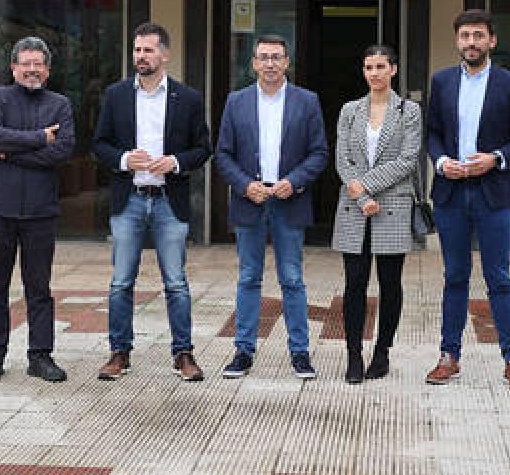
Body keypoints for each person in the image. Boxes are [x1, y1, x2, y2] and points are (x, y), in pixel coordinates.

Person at [92, 23, 213, 382]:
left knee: (176, 282)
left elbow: (203, 148)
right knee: (120, 282)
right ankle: (119, 353)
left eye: (148, 50)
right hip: (128, 199)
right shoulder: (115, 95)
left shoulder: (187, 98)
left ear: (165, 55)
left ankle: (183, 354)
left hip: (167, 200)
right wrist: (124, 159)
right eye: (137, 50)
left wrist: (175, 163)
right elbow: (99, 143)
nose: (141, 57)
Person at [424, 9, 510, 392]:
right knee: (454, 277)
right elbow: (433, 133)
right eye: (465, 36)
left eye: (478, 36)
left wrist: (495, 159)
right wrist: (440, 162)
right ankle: (448, 356)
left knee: (498, 279)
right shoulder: (441, 82)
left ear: (492, 41)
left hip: (494, 193)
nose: (471, 42)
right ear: (457, 41)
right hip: (452, 193)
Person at [215, 35, 329, 380]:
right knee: (248, 277)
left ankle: (299, 353)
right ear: (253, 63)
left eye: (276, 57)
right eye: (263, 57)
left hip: (288, 199)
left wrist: (293, 182)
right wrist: (243, 184)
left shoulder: (307, 101)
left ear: (287, 62)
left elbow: (319, 152)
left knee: (292, 278)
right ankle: (243, 351)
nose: (270, 64)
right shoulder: (236, 102)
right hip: (251, 199)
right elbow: (223, 154)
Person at [0, 36, 75, 384]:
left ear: (48, 70)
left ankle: (40, 356)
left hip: (40, 212)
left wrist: (12, 150)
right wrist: (38, 139)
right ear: (14, 67)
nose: (32, 70)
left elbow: (62, 151)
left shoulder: (60, 104)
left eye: (38, 65)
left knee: (39, 288)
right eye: (26, 64)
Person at [332, 44, 422, 384]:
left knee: (390, 284)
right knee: (354, 284)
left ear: (393, 70)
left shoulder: (408, 111)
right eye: (369, 67)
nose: (374, 73)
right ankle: (353, 356)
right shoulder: (350, 110)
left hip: (392, 207)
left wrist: (364, 187)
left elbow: (407, 160)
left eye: (381, 66)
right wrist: (359, 194)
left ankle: (381, 353)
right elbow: (342, 158)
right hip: (354, 208)